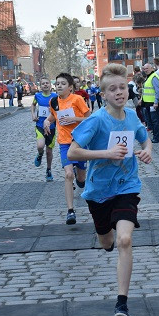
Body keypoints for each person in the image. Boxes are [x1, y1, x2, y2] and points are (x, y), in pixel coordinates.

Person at [66, 63, 152, 316]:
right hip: (99, 192)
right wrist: (105, 153)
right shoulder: (96, 120)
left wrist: (147, 149)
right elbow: (72, 152)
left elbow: (144, 138)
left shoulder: (132, 116)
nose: (119, 92)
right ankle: (105, 235)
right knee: (107, 242)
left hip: (127, 186)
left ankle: (122, 303)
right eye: (112, 89)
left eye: (122, 87)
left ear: (128, 89)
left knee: (125, 240)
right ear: (103, 94)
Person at [42, 72, 90, 224]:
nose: (59, 86)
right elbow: (53, 115)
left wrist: (74, 119)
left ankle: (80, 177)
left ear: (70, 87)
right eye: (57, 84)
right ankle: (70, 211)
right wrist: (47, 122)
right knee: (68, 174)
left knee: (81, 179)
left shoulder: (77, 99)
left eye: (63, 84)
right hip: (64, 142)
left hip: (79, 141)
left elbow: (90, 118)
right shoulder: (54, 101)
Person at [31, 78, 57, 181]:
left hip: (51, 126)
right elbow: (33, 105)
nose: (45, 85)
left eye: (47, 83)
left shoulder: (55, 96)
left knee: (49, 152)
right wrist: (33, 114)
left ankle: (48, 170)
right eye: (43, 84)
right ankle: (39, 154)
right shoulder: (37, 96)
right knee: (40, 146)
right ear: (40, 86)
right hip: (40, 125)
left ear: (50, 85)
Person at [140, 63, 159, 144]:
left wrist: (156, 102)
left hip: (153, 103)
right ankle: (156, 137)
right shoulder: (149, 77)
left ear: (152, 68)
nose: (145, 70)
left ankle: (157, 138)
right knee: (152, 120)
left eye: (147, 68)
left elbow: (157, 91)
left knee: (155, 121)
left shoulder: (153, 77)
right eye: (144, 69)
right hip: (148, 103)